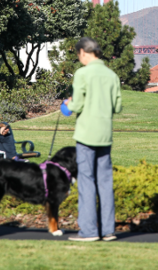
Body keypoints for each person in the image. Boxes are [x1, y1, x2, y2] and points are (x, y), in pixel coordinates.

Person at [63, 37, 122, 242]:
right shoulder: (112, 75)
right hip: (105, 135)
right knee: (105, 182)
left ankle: (88, 232)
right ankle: (108, 231)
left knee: (86, 182)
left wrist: (67, 105)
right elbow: (117, 107)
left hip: (86, 134)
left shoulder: (82, 73)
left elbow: (76, 106)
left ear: (83, 53)